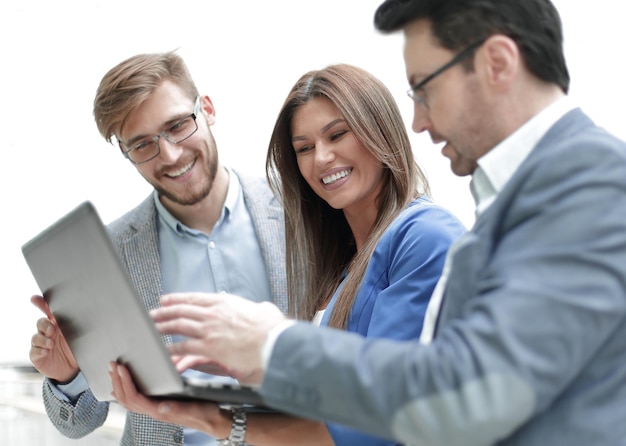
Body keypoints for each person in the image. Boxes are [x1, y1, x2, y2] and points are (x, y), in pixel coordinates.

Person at [112, 0, 626, 444]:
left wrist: (275, 343)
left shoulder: (588, 182)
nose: (420, 122)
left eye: (423, 89)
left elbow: (464, 391)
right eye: (305, 148)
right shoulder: (526, 195)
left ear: (496, 62)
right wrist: (227, 396)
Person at [108, 63, 466, 445]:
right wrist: (253, 367)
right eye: (305, 148)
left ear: (379, 128)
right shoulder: (345, 263)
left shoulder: (425, 237)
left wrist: (217, 418)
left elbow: (375, 421)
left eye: (338, 135)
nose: (322, 158)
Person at [28, 50, 288, 446]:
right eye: (143, 144)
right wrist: (68, 375)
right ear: (126, 153)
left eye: (178, 125)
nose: (169, 154)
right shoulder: (112, 252)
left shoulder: (296, 214)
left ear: (208, 109)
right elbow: (77, 424)